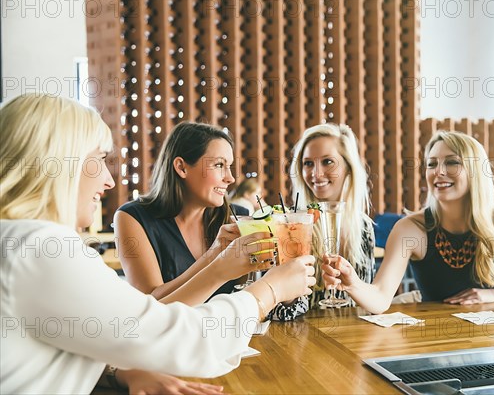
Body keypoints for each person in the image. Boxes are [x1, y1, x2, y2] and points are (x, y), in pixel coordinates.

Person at [0, 93, 316, 394]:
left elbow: (89, 337)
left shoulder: (16, 243)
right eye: (97, 160)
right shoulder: (40, 248)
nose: (109, 182)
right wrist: (269, 291)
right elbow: (175, 338)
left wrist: (119, 374)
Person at [323, 130, 494, 314]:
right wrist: (353, 283)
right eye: (432, 164)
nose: (438, 172)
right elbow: (380, 298)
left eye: (451, 162)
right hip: (432, 340)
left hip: (492, 342)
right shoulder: (411, 228)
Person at [115, 123, 274, 304]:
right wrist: (213, 256)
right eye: (219, 164)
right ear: (182, 168)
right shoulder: (133, 218)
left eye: (229, 166)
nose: (230, 178)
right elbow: (150, 306)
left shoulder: (238, 216)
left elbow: (247, 293)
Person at [269, 123, 375, 320]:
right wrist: (287, 293)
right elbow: (280, 313)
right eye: (308, 163)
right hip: (305, 337)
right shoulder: (294, 225)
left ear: (348, 167)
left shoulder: (364, 227)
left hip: (355, 336)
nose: (315, 174)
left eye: (327, 162)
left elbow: (369, 301)